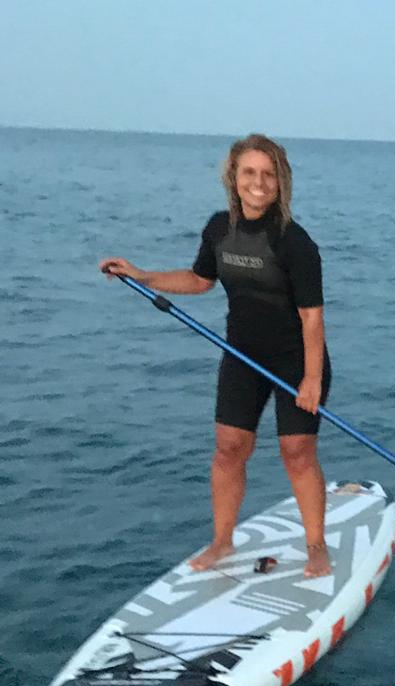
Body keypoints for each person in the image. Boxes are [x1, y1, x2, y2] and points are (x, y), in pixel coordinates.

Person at [98, 134, 334, 577]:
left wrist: (312, 379)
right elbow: (199, 280)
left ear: (281, 181)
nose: (258, 182)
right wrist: (143, 276)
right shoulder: (218, 229)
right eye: (249, 172)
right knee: (229, 448)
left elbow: (312, 318)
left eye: (268, 174)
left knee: (297, 452)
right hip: (241, 356)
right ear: (233, 177)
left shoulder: (295, 242)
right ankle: (223, 541)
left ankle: (316, 545)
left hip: (295, 362)